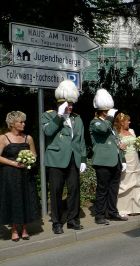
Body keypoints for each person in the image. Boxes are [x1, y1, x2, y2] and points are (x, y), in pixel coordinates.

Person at [41, 80, 87, 234]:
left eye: (72, 104)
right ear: (60, 104)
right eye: (68, 104)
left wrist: (83, 159)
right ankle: (57, 222)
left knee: (74, 190)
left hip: (73, 159)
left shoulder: (77, 118)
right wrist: (59, 117)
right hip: (56, 160)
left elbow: (80, 140)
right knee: (56, 192)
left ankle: (73, 220)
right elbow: (47, 132)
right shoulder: (49, 116)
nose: (71, 107)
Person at [0, 111, 40, 241]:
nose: (24, 124)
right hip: (10, 175)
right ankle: (13, 230)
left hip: (26, 174)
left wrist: (29, 160)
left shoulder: (28, 138)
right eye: (21, 122)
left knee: (25, 199)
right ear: (12, 124)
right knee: (13, 200)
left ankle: (23, 228)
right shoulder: (3, 138)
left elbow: (34, 155)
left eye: (24, 121)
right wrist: (13, 163)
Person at [90, 89, 128, 225]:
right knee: (102, 189)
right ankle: (99, 215)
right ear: (104, 111)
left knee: (113, 188)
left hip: (115, 161)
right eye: (109, 111)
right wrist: (110, 117)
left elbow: (115, 141)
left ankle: (112, 212)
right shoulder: (95, 122)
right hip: (103, 162)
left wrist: (122, 156)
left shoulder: (109, 125)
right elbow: (102, 129)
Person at [114, 113, 140, 216]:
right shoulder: (116, 133)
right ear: (122, 122)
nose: (129, 122)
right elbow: (114, 146)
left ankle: (136, 208)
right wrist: (119, 147)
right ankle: (123, 208)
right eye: (127, 121)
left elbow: (135, 144)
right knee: (126, 182)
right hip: (125, 160)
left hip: (135, 159)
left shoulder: (131, 131)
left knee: (137, 182)